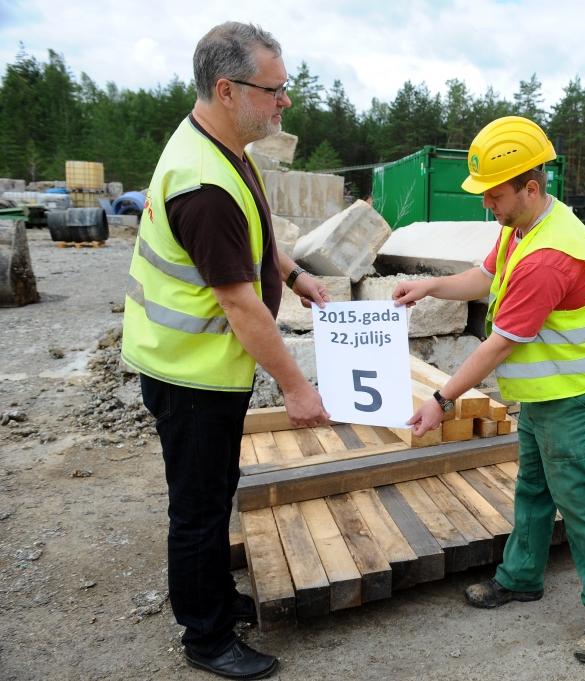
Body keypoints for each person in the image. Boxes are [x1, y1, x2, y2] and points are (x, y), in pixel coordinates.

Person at [121, 21, 330, 680]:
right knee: (200, 507)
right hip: (191, 376)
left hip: (202, 371)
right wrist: (298, 388)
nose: (284, 102)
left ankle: (213, 598)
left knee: (213, 493)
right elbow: (241, 305)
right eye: (274, 90)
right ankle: (205, 636)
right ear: (226, 88)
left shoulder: (223, 147)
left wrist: (293, 275)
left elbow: (255, 235)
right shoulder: (204, 183)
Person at [392, 116, 585, 665]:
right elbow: (483, 278)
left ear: (531, 186)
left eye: (493, 196)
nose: (486, 207)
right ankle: (521, 577)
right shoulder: (521, 228)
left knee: (582, 498)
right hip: (546, 390)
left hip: (574, 395)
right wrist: (432, 284)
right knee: (532, 485)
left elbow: (496, 346)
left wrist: (440, 400)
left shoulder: (550, 259)